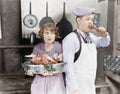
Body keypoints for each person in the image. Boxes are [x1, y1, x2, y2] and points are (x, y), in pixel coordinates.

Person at [62, 7, 111, 94]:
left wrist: (104, 34)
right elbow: (68, 66)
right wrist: (74, 89)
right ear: (78, 21)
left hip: (89, 86)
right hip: (76, 88)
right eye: (87, 19)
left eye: (92, 19)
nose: (91, 22)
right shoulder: (70, 39)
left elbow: (105, 43)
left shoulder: (92, 37)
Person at [26, 22, 66, 94]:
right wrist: (29, 70)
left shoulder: (59, 46)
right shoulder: (37, 47)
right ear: (42, 35)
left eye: (52, 33)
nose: (49, 36)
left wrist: (51, 72)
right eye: (46, 33)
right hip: (40, 80)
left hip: (55, 80)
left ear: (55, 35)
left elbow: (62, 66)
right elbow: (29, 63)